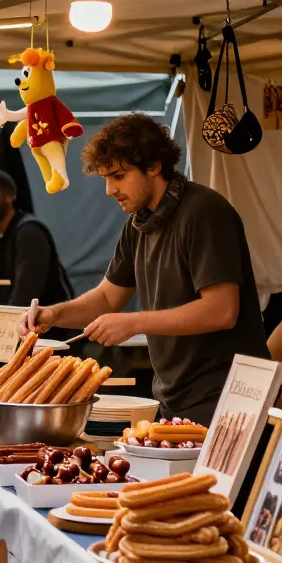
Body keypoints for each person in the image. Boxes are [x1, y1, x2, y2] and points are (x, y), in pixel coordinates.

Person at [21, 114, 269, 425]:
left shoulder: (205, 212)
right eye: (106, 179)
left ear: (154, 166)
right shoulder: (137, 224)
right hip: (173, 399)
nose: (110, 190)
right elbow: (108, 299)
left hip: (228, 397)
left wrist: (134, 322)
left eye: (119, 176)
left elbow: (221, 311)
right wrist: (54, 314)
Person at [0, 169, 73, 322]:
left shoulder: (29, 232)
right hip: (13, 327)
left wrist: (2, 330)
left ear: (10, 197)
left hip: (46, 330)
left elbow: (26, 293)